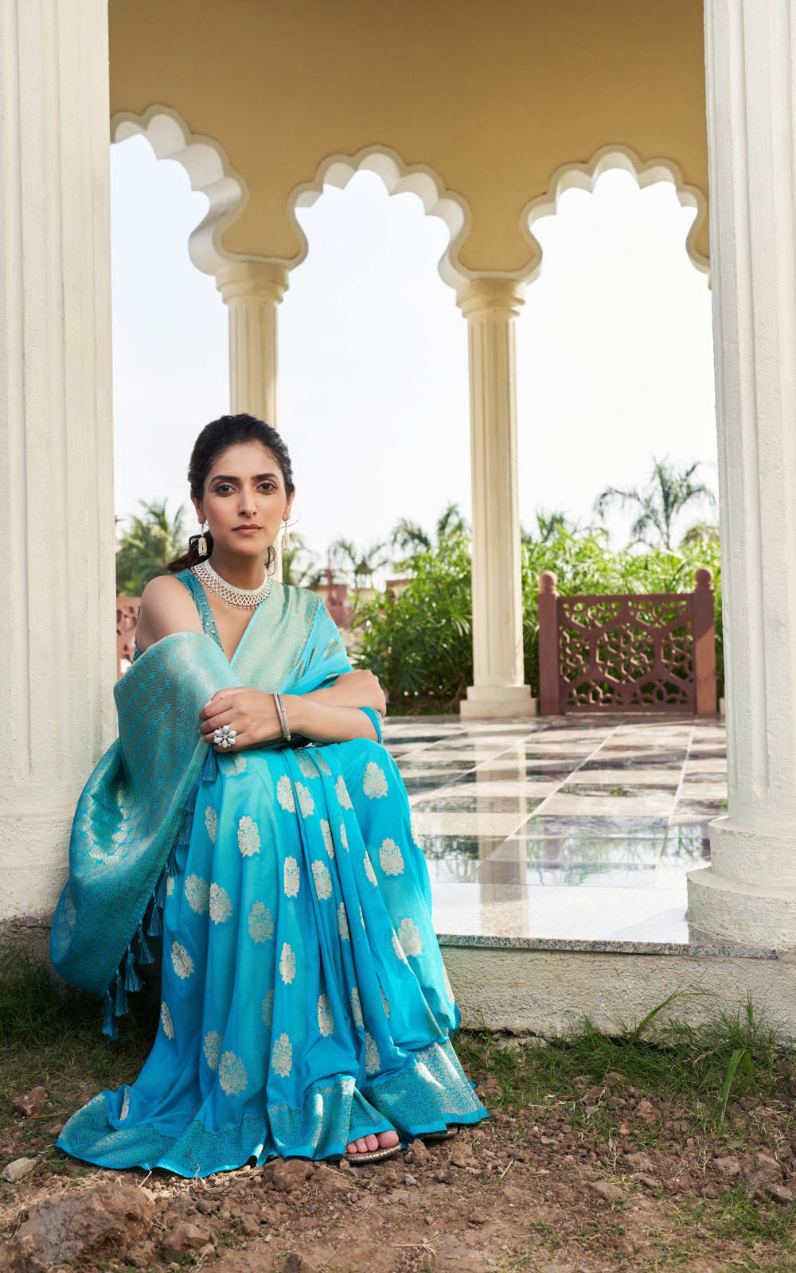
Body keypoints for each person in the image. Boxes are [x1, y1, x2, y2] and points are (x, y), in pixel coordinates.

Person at [50, 413, 488, 1177]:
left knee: (364, 772)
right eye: (226, 488)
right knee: (258, 784)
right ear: (200, 506)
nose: (247, 504)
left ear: (289, 501)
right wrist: (326, 708)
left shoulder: (305, 614)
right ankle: (303, 1071)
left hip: (263, 790)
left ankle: (366, 1052)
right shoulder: (168, 597)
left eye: (264, 486)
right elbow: (223, 721)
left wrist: (289, 711)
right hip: (188, 811)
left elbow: (366, 710)